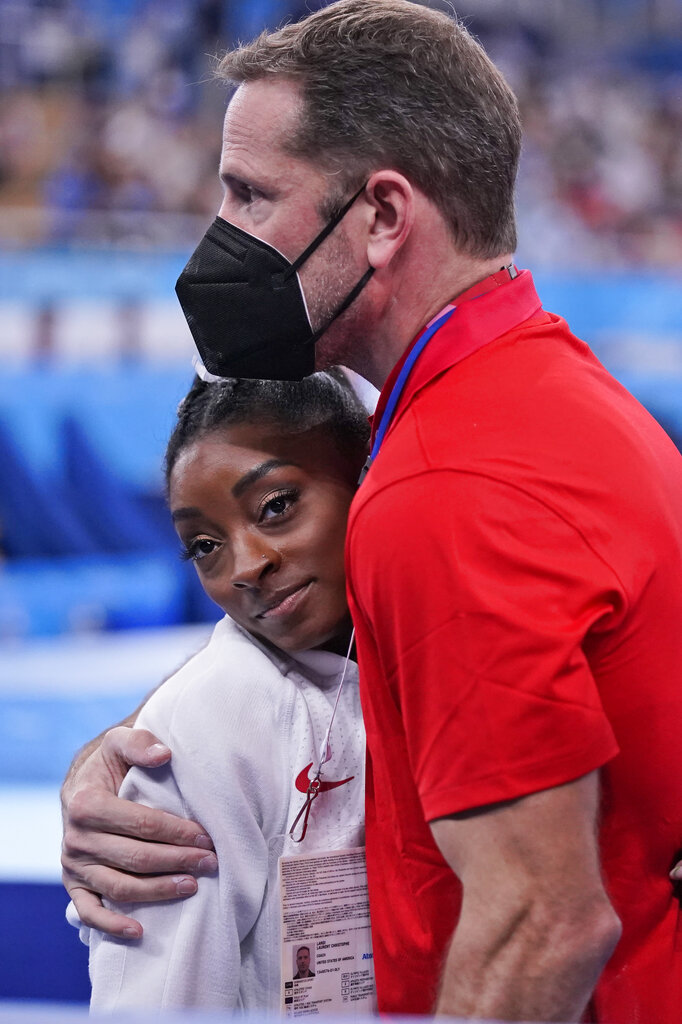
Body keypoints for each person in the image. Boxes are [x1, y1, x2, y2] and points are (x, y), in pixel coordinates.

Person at [61, 2, 682, 1021]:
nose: (222, 237)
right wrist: (146, 743)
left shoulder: (447, 486)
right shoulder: (550, 396)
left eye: (252, 195)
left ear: (383, 216)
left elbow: (543, 922)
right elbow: (423, 667)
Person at [69, 370, 370, 1009]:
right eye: (203, 546)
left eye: (275, 506)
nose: (245, 566)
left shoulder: (418, 659)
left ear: (368, 480)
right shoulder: (208, 723)